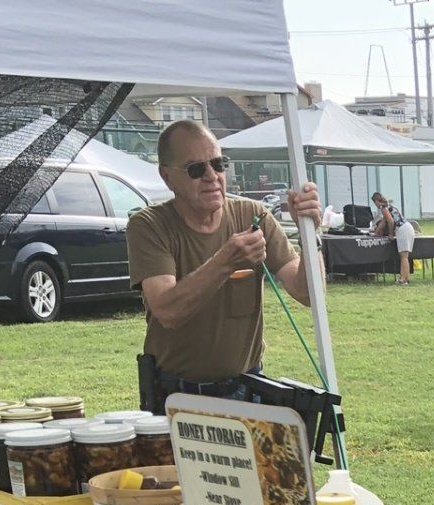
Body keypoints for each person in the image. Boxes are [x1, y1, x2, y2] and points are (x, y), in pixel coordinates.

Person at [126, 120, 324, 408]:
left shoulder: (252, 215)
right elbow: (167, 310)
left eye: (219, 164)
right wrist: (225, 261)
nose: (212, 176)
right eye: (196, 169)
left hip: (247, 388)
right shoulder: (149, 225)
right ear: (167, 177)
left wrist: (311, 232)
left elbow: (307, 293)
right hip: (177, 395)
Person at [371, 191, 419, 284]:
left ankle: (403, 279)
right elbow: (383, 223)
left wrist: (390, 234)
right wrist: (375, 233)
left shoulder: (384, 209)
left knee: (403, 256)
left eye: (374, 202)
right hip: (408, 228)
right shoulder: (389, 207)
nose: (375, 204)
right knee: (404, 256)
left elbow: (391, 222)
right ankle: (405, 278)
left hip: (402, 230)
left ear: (377, 201)